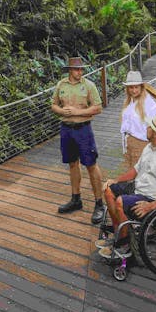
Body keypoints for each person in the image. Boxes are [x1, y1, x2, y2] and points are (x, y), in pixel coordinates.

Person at [97, 112, 156, 260]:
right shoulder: (150, 147)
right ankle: (119, 233)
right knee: (108, 190)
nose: (147, 128)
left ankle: (125, 245)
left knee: (120, 202)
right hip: (140, 188)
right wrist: (116, 180)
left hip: (154, 198)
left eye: (150, 126)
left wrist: (150, 206)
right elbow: (135, 170)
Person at [51, 56, 107, 224]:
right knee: (72, 163)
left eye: (81, 69)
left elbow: (98, 108)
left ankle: (99, 204)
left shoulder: (88, 85)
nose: (80, 72)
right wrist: (61, 111)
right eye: (76, 69)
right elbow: (53, 104)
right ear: (69, 70)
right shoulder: (61, 85)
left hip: (83, 130)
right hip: (66, 130)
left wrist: (76, 112)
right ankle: (76, 199)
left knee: (91, 165)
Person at [118, 70, 156, 175]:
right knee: (130, 173)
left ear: (141, 87)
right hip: (129, 143)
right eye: (131, 87)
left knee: (139, 175)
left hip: (142, 144)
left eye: (136, 87)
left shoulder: (148, 103)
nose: (134, 90)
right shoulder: (129, 101)